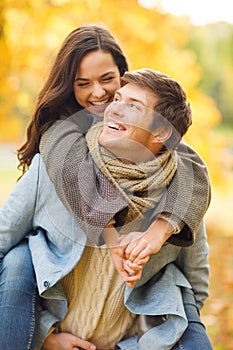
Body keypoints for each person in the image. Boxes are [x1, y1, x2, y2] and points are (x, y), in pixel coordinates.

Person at [0, 24, 211, 349]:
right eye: (83, 83)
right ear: (69, 88)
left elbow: (192, 166)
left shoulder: (175, 172)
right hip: (58, 318)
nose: (99, 95)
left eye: (110, 84)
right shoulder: (59, 146)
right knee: (17, 260)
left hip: (127, 332)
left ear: (124, 76)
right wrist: (44, 336)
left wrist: (159, 230)